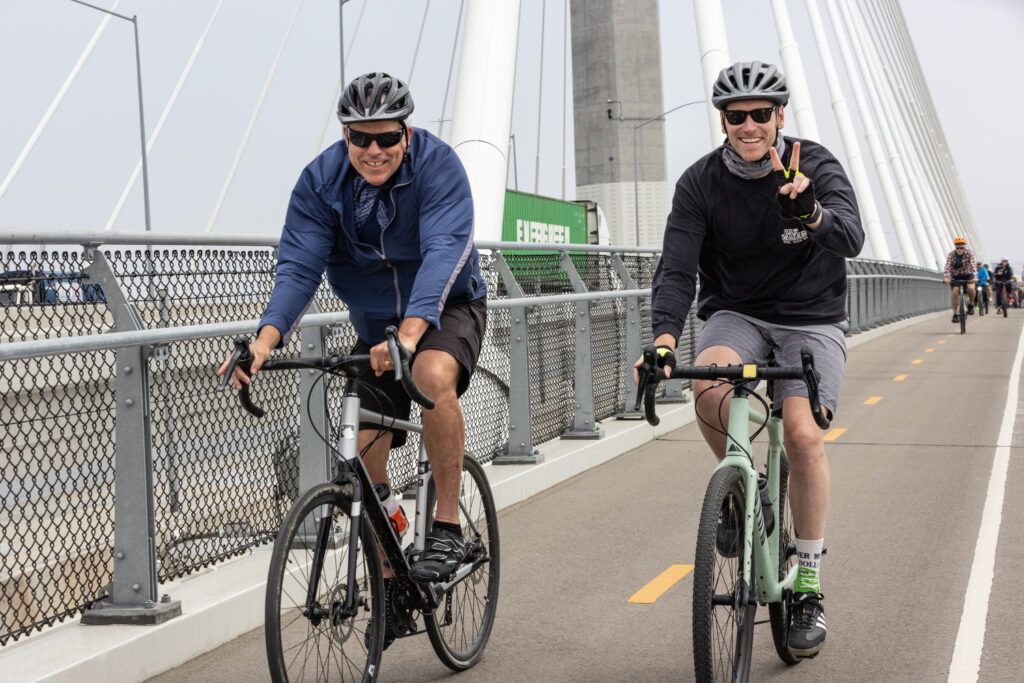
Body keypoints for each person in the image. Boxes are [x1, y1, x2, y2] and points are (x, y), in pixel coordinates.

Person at [218, 72, 488, 607]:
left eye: (386, 137)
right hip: (375, 328)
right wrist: (264, 343)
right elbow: (298, 270)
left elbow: (442, 252)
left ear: (406, 136)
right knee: (363, 448)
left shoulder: (439, 168)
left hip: (446, 309)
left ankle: (447, 527)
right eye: (359, 138)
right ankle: (391, 582)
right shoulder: (321, 183)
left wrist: (412, 335)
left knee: (433, 376)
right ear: (345, 138)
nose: (373, 150)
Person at [639, 61, 864, 659]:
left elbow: (852, 238)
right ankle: (742, 491)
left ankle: (809, 582)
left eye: (760, 115)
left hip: (812, 315)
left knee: (802, 435)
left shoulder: (813, 164)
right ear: (723, 121)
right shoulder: (700, 183)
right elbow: (678, 268)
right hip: (737, 312)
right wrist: (664, 339)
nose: (748, 125)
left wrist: (811, 214)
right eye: (736, 117)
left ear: (779, 117)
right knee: (707, 388)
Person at [942, 237, 977, 322]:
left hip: (968, 275)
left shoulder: (969, 253)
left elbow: (973, 265)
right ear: (955, 248)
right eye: (957, 248)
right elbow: (947, 266)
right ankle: (955, 314)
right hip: (956, 276)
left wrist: (975, 277)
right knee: (955, 292)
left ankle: (971, 305)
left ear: (964, 247)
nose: (959, 250)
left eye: (961, 248)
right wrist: (946, 277)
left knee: (971, 288)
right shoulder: (951, 255)